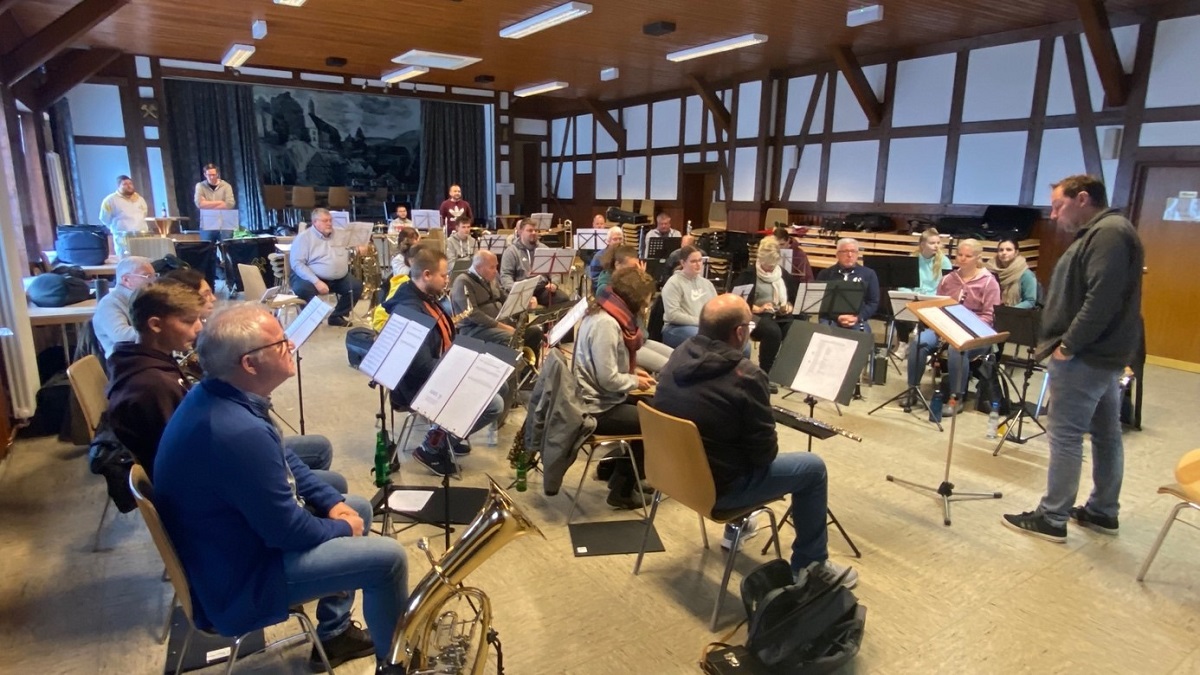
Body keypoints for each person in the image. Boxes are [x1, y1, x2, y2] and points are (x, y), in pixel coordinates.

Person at [154, 304, 408, 674]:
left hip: (233, 547)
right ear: (249, 364)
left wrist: (332, 505)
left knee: (355, 506)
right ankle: (396, 665)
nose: (290, 346)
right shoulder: (235, 432)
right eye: (279, 344)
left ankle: (334, 633)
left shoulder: (224, 396)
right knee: (389, 560)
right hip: (243, 579)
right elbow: (286, 532)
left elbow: (284, 457)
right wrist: (341, 527)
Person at [653, 294, 857, 586]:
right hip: (719, 489)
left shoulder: (680, 352)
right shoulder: (747, 376)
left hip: (674, 476)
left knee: (727, 442)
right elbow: (764, 455)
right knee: (812, 468)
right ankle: (811, 566)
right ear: (740, 333)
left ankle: (738, 527)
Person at [1003, 175, 1144, 543]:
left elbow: (1102, 299)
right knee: (1105, 434)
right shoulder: (1106, 231)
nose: (1052, 215)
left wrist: (1069, 345)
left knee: (1065, 437)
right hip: (1101, 356)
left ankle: (1052, 517)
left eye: (1058, 205)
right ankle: (1102, 510)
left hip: (1086, 355)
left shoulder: (1109, 233)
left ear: (1083, 198)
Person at [107, 281, 343, 484]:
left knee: (316, 449)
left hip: (213, 457)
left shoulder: (144, 361)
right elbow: (186, 458)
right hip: (209, 474)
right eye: (188, 321)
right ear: (156, 325)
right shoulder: (152, 386)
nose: (199, 327)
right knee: (329, 479)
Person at [383, 245, 506, 477]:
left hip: (439, 369)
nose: (447, 279)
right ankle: (432, 447)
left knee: (501, 382)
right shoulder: (411, 310)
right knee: (494, 404)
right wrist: (463, 372)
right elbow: (420, 368)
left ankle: (452, 432)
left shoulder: (423, 296)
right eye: (443, 275)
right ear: (426, 275)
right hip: (419, 385)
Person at [575, 266, 658, 509]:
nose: (647, 303)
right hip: (595, 407)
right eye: (647, 298)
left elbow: (608, 366)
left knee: (653, 406)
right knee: (653, 422)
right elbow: (607, 379)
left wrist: (632, 372)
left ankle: (618, 472)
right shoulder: (607, 324)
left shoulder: (606, 312)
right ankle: (622, 489)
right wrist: (634, 381)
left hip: (601, 397)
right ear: (635, 298)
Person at [905, 238, 1002, 416]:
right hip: (945, 328)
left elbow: (990, 316)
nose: (963, 259)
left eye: (968, 256)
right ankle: (913, 389)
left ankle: (955, 398)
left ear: (978, 258)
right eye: (960, 254)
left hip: (976, 333)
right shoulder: (948, 279)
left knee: (957, 349)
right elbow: (936, 306)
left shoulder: (989, 282)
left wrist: (963, 328)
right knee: (919, 342)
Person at [452, 250, 542, 354]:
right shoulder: (463, 281)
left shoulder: (490, 278)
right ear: (478, 267)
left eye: (496, 266)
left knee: (535, 332)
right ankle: (512, 369)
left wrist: (524, 301)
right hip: (475, 329)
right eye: (492, 267)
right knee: (511, 338)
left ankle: (528, 368)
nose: (496, 271)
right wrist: (503, 327)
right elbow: (474, 314)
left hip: (498, 324)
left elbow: (505, 299)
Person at [290, 208, 364, 327]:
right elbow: (297, 264)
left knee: (355, 287)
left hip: (339, 277)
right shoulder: (304, 238)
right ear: (315, 222)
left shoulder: (341, 233)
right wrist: (316, 281)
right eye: (325, 221)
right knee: (303, 290)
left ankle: (336, 316)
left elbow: (354, 246)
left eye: (330, 220)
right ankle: (310, 319)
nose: (329, 223)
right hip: (310, 277)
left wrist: (359, 248)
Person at [733, 238, 792, 380]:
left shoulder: (782, 274)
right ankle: (765, 372)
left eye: (773, 265)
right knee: (772, 331)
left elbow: (792, 298)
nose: (770, 268)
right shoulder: (749, 274)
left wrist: (788, 306)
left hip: (777, 314)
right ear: (760, 259)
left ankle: (785, 371)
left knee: (795, 327)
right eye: (767, 265)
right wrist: (759, 308)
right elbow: (737, 301)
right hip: (753, 315)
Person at [893, 228, 953, 358]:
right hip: (914, 295)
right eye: (932, 243)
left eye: (938, 242)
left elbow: (946, 286)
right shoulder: (913, 259)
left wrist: (929, 297)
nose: (936, 246)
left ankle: (925, 346)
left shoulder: (944, 261)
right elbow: (904, 283)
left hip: (932, 298)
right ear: (922, 244)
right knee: (898, 305)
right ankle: (903, 343)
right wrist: (909, 295)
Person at [93, 256, 155, 358]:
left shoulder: (143, 299)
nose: (153, 282)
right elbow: (121, 336)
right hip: (125, 364)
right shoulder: (109, 303)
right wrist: (159, 329)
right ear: (126, 280)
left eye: (154, 276)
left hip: (144, 357)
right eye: (147, 276)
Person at [815, 237, 879, 333]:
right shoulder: (825, 274)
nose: (849, 255)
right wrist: (837, 317)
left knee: (863, 338)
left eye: (853, 251)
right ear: (837, 254)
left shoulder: (869, 274)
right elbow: (819, 302)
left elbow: (873, 302)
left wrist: (858, 317)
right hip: (830, 319)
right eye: (845, 251)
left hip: (857, 320)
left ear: (858, 254)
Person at [499, 218, 568, 307]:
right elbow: (506, 276)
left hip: (541, 288)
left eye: (536, 230)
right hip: (521, 290)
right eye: (530, 230)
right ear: (520, 232)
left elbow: (554, 271)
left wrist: (554, 284)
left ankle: (550, 320)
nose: (534, 233)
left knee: (563, 299)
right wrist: (518, 292)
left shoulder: (544, 249)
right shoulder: (511, 251)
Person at [661, 245, 716, 347]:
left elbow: (715, 309)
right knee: (704, 340)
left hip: (703, 326)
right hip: (676, 328)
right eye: (693, 261)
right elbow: (673, 315)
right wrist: (700, 322)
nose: (698, 264)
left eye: (700, 260)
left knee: (742, 345)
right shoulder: (674, 283)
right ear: (683, 263)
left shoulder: (707, 284)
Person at [97, 175, 149, 257]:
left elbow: (144, 213)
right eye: (125, 184)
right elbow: (104, 218)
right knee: (126, 261)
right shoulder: (110, 200)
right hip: (123, 238)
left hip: (141, 236)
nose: (129, 186)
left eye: (130, 183)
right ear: (118, 186)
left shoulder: (139, 199)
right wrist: (116, 228)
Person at [986, 238, 1038, 309]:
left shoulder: (1026, 274)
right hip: (992, 311)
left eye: (1009, 250)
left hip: (1015, 314)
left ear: (1016, 252)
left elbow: (1030, 301)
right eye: (1001, 250)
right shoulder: (990, 270)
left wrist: (1009, 311)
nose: (1004, 253)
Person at [193, 163, 236, 243]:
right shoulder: (200, 186)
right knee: (207, 249)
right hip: (207, 222)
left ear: (217, 174)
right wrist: (221, 202)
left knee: (227, 249)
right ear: (205, 174)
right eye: (209, 175)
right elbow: (199, 204)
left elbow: (230, 204)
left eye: (213, 174)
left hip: (225, 222)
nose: (211, 177)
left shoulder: (226, 186)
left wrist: (206, 204)